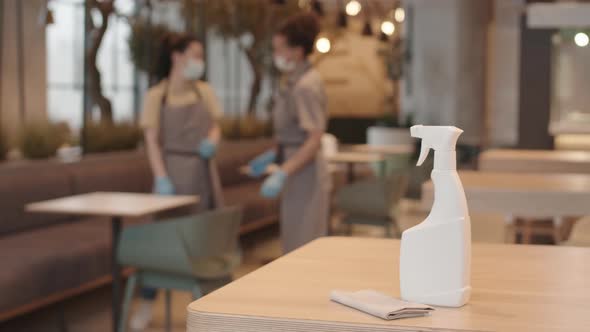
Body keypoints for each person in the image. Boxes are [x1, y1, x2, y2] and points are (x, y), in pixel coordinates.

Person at [131, 32, 224, 330]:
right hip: (169, 173)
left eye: (201, 55)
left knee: (204, 241)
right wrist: (160, 177)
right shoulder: (156, 95)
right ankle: (146, 305)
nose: (200, 61)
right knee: (158, 241)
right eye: (195, 54)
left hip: (201, 172)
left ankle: (208, 310)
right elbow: (151, 140)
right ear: (176, 56)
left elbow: (216, 126)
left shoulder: (204, 92)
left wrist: (212, 141)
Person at [248, 13, 330, 253]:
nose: (276, 56)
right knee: (295, 241)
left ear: (297, 50)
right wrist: (273, 154)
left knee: (305, 246)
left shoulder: (306, 86)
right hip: (296, 171)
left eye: (279, 49)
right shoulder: (294, 81)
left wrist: (282, 172)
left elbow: (314, 139)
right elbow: (293, 132)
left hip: (306, 174)